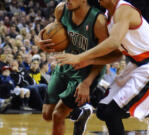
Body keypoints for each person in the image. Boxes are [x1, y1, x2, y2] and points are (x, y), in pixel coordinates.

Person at [56, 0, 149, 135]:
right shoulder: (107, 17)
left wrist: (81, 57)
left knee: (113, 113)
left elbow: (113, 42)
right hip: (135, 65)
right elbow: (116, 55)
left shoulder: (124, 10)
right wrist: (90, 63)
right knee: (103, 111)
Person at [35, 0, 108, 135]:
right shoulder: (61, 9)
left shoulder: (98, 22)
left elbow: (102, 56)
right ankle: (80, 111)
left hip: (87, 71)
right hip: (66, 65)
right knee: (47, 114)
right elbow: (50, 30)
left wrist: (87, 83)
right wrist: (40, 39)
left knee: (58, 114)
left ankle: (79, 109)